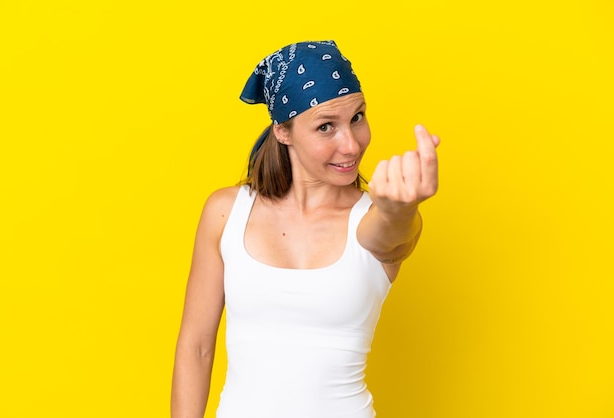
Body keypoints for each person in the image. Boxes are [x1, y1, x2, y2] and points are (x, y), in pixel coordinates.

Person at [171, 40, 440, 418]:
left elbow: (394, 233)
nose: (351, 144)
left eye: (357, 118)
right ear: (283, 131)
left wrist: (402, 207)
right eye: (326, 126)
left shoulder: (370, 219)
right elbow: (196, 346)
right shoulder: (226, 212)